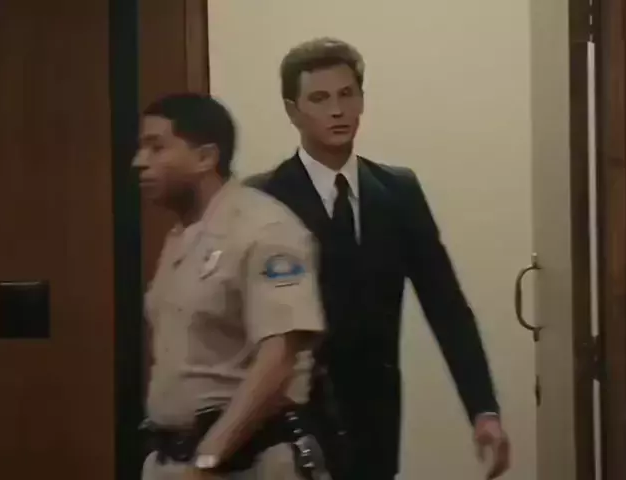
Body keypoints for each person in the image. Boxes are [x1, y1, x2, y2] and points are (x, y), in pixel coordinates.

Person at [246, 38, 511, 480]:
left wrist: (483, 409)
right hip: (288, 420)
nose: (337, 110)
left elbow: (446, 306)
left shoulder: (397, 192)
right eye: (319, 98)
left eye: (346, 94)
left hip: (375, 418)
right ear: (293, 111)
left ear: (362, 99)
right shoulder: (263, 198)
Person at [132, 93, 329, 480]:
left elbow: (280, 356)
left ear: (206, 157)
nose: (139, 161)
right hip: (176, 458)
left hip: (246, 461)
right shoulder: (184, 234)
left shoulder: (266, 229)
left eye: (156, 147)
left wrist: (209, 457)